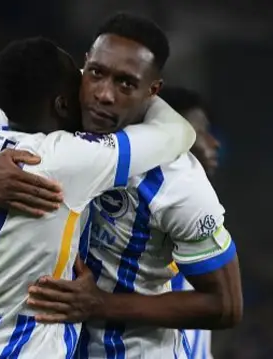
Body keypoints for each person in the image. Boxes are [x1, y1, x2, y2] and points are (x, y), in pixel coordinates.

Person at [0, 37, 195, 358]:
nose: (94, 96)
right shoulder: (66, 159)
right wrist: (139, 89)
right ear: (61, 104)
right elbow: (178, 133)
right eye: (80, 85)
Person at [24, 15, 242, 359]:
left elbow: (226, 305)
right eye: (96, 73)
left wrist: (101, 304)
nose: (104, 94)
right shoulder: (54, 115)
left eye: (126, 84)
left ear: (152, 91)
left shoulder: (179, 181)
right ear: (84, 66)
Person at [160, 85, 222, 358]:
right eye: (202, 131)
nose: (214, 142)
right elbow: (226, 307)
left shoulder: (199, 211)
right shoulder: (143, 215)